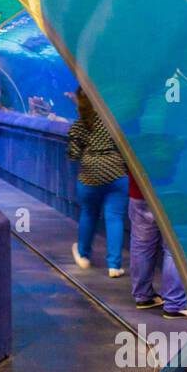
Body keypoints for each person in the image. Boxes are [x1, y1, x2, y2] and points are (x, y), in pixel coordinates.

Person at [66, 88, 128, 279]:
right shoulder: (114, 121)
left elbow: (73, 155)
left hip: (90, 176)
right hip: (116, 172)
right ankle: (114, 266)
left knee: (89, 213)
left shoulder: (79, 126)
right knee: (115, 218)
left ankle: (84, 255)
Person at [128, 174, 187, 318]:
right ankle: (174, 304)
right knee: (174, 248)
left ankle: (143, 296)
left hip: (139, 192)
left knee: (141, 245)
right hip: (171, 194)